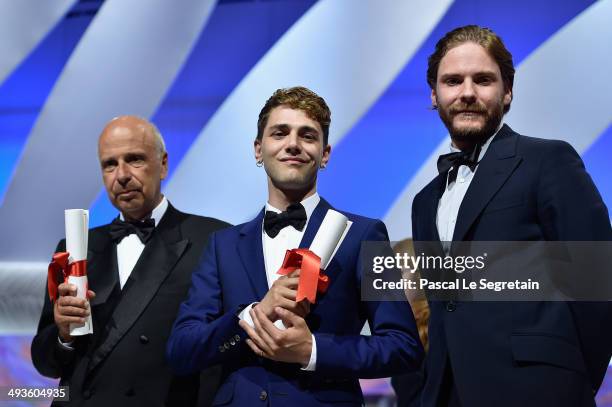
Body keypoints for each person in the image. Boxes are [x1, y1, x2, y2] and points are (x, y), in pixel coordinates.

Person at [167, 86, 424, 406]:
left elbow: (403, 347)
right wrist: (253, 315)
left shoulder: (363, 235)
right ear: (258, 149)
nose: (293, 144)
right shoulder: (223, 245)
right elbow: (182, 350)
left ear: (325, 154)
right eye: (280, 133)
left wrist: (313, 350)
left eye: (307, 135)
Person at [412, 25, 612, 406]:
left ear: (507, 91)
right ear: (434, 96)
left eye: (483, 79)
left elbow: (598, 282)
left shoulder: (548, 160)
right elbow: (441, 309)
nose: (467, 92)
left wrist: (569, 379)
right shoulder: (424, 202)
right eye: (452, 81)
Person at [31, 116, 229, 406]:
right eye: (109, 164)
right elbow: (45, 363)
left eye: (134, 159)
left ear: (162, 164)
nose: (121, 175)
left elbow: (224, 350)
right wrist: (63, 334)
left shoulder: (213, 239)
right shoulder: (75, 248)